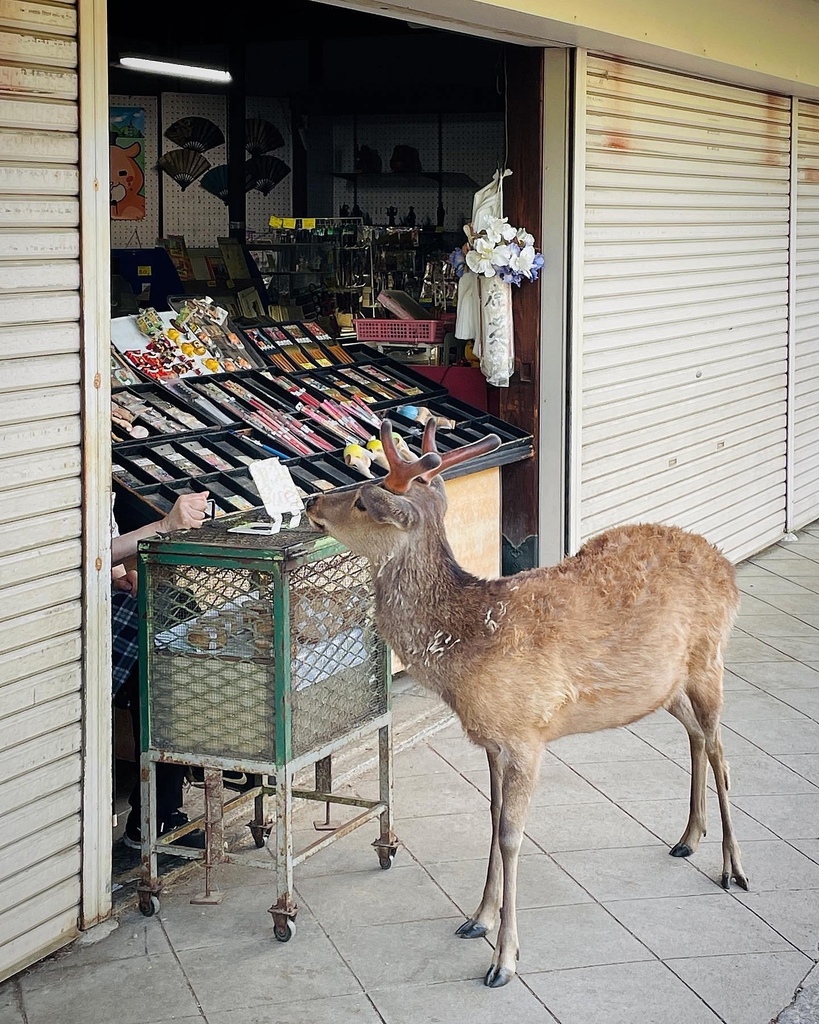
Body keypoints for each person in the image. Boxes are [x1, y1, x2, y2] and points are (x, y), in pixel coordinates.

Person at [111, 491, 209, 848]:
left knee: (177, 609)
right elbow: (80, 554)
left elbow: (106, 547)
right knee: (160, 683)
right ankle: (153, 817)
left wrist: (123, 575)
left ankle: (159, 812)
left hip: (110, 601)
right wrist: (164, 526)